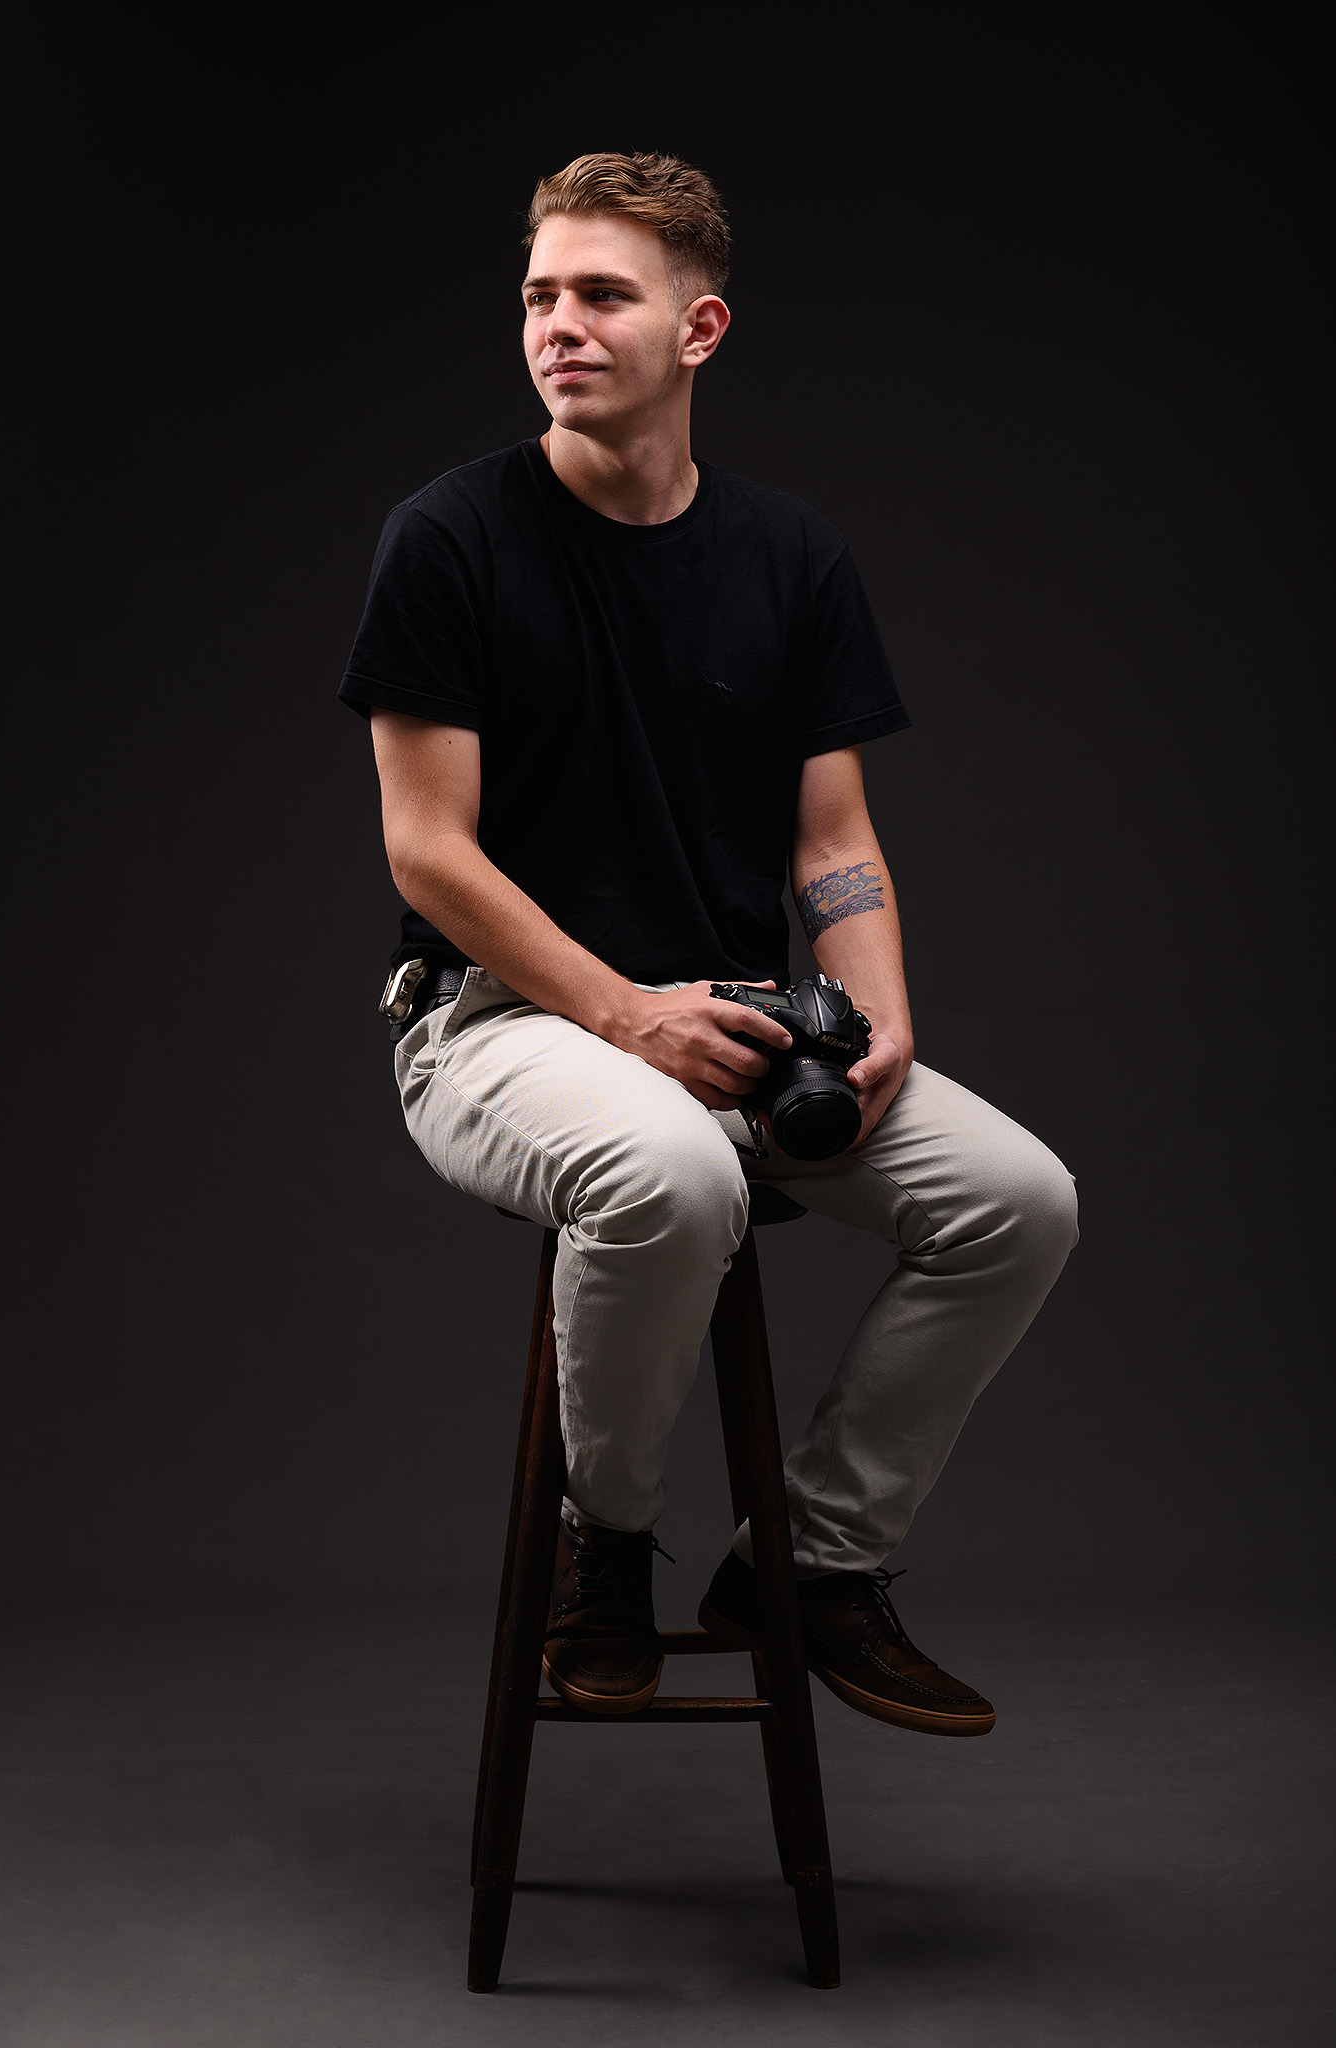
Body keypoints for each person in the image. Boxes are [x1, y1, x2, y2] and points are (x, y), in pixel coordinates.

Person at [339, 152, 1078, 1735]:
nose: (559, 324)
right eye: (539, 294)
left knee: (1018, 1204)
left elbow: (832, 841)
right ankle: (599, 1549)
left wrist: (876, 1024)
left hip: (736, 1021)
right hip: (498, 1024)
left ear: (700, 328)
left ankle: (813, 1562)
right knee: (669, 1179)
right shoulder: (448, 537)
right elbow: (428, 852)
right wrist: (626, 1017)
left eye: (603, 294)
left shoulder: (792, 556)